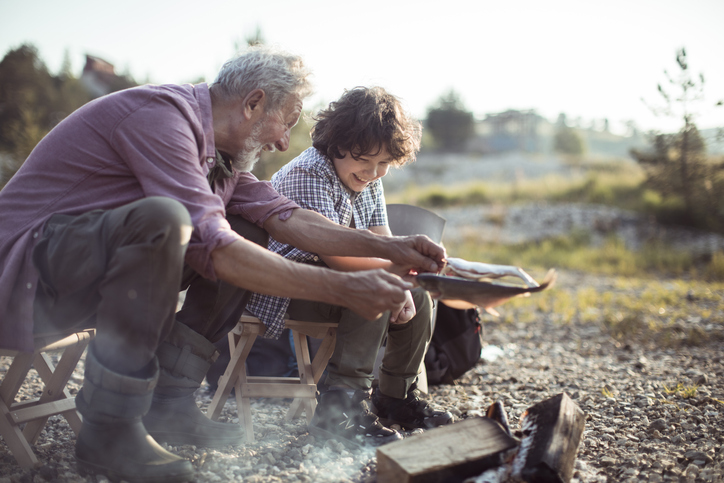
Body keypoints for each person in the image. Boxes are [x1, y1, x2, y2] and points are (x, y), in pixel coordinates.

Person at [0, 47, 445, 482]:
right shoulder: (161, 117)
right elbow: (216, 248)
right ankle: (110, 429)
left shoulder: (221, 159)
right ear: (253, 103)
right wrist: (344, 288)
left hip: (71, 286)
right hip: (20, 281)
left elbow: (287, 217)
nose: (283, 143)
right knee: (167, 221)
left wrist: (395, 247)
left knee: (247, 226)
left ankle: (169, 401)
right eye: (285, 122)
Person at [246, 86, 454, 449]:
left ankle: (396, 396)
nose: (374, 172)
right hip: (288, 286)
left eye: (384, 164)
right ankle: (341, 407)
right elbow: (337, 255)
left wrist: (407, 281)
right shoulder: (309, 173)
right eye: (365, 160)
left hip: (331, 281)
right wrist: (392, 281)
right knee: (372, 287)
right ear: (339, 143)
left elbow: (383, 241)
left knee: (419, 295)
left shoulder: (367, 179)